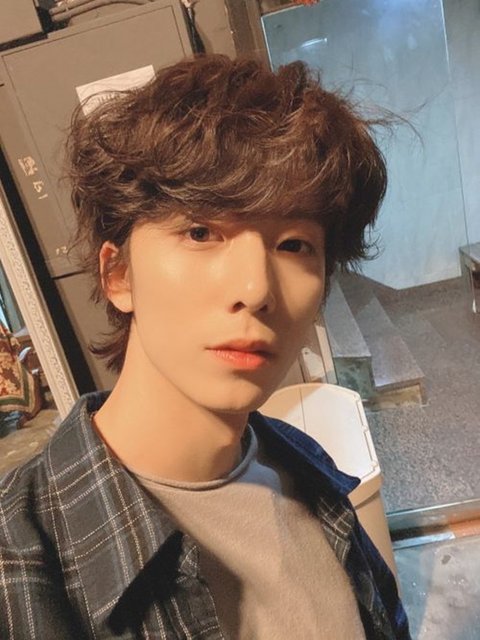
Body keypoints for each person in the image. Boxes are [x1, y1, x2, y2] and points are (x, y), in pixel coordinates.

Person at [0, 54, 410, 639]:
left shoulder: (306, 466)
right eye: (200, 232)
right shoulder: (18, 568)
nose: (256, 290)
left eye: (294, 245)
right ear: (119, 275)